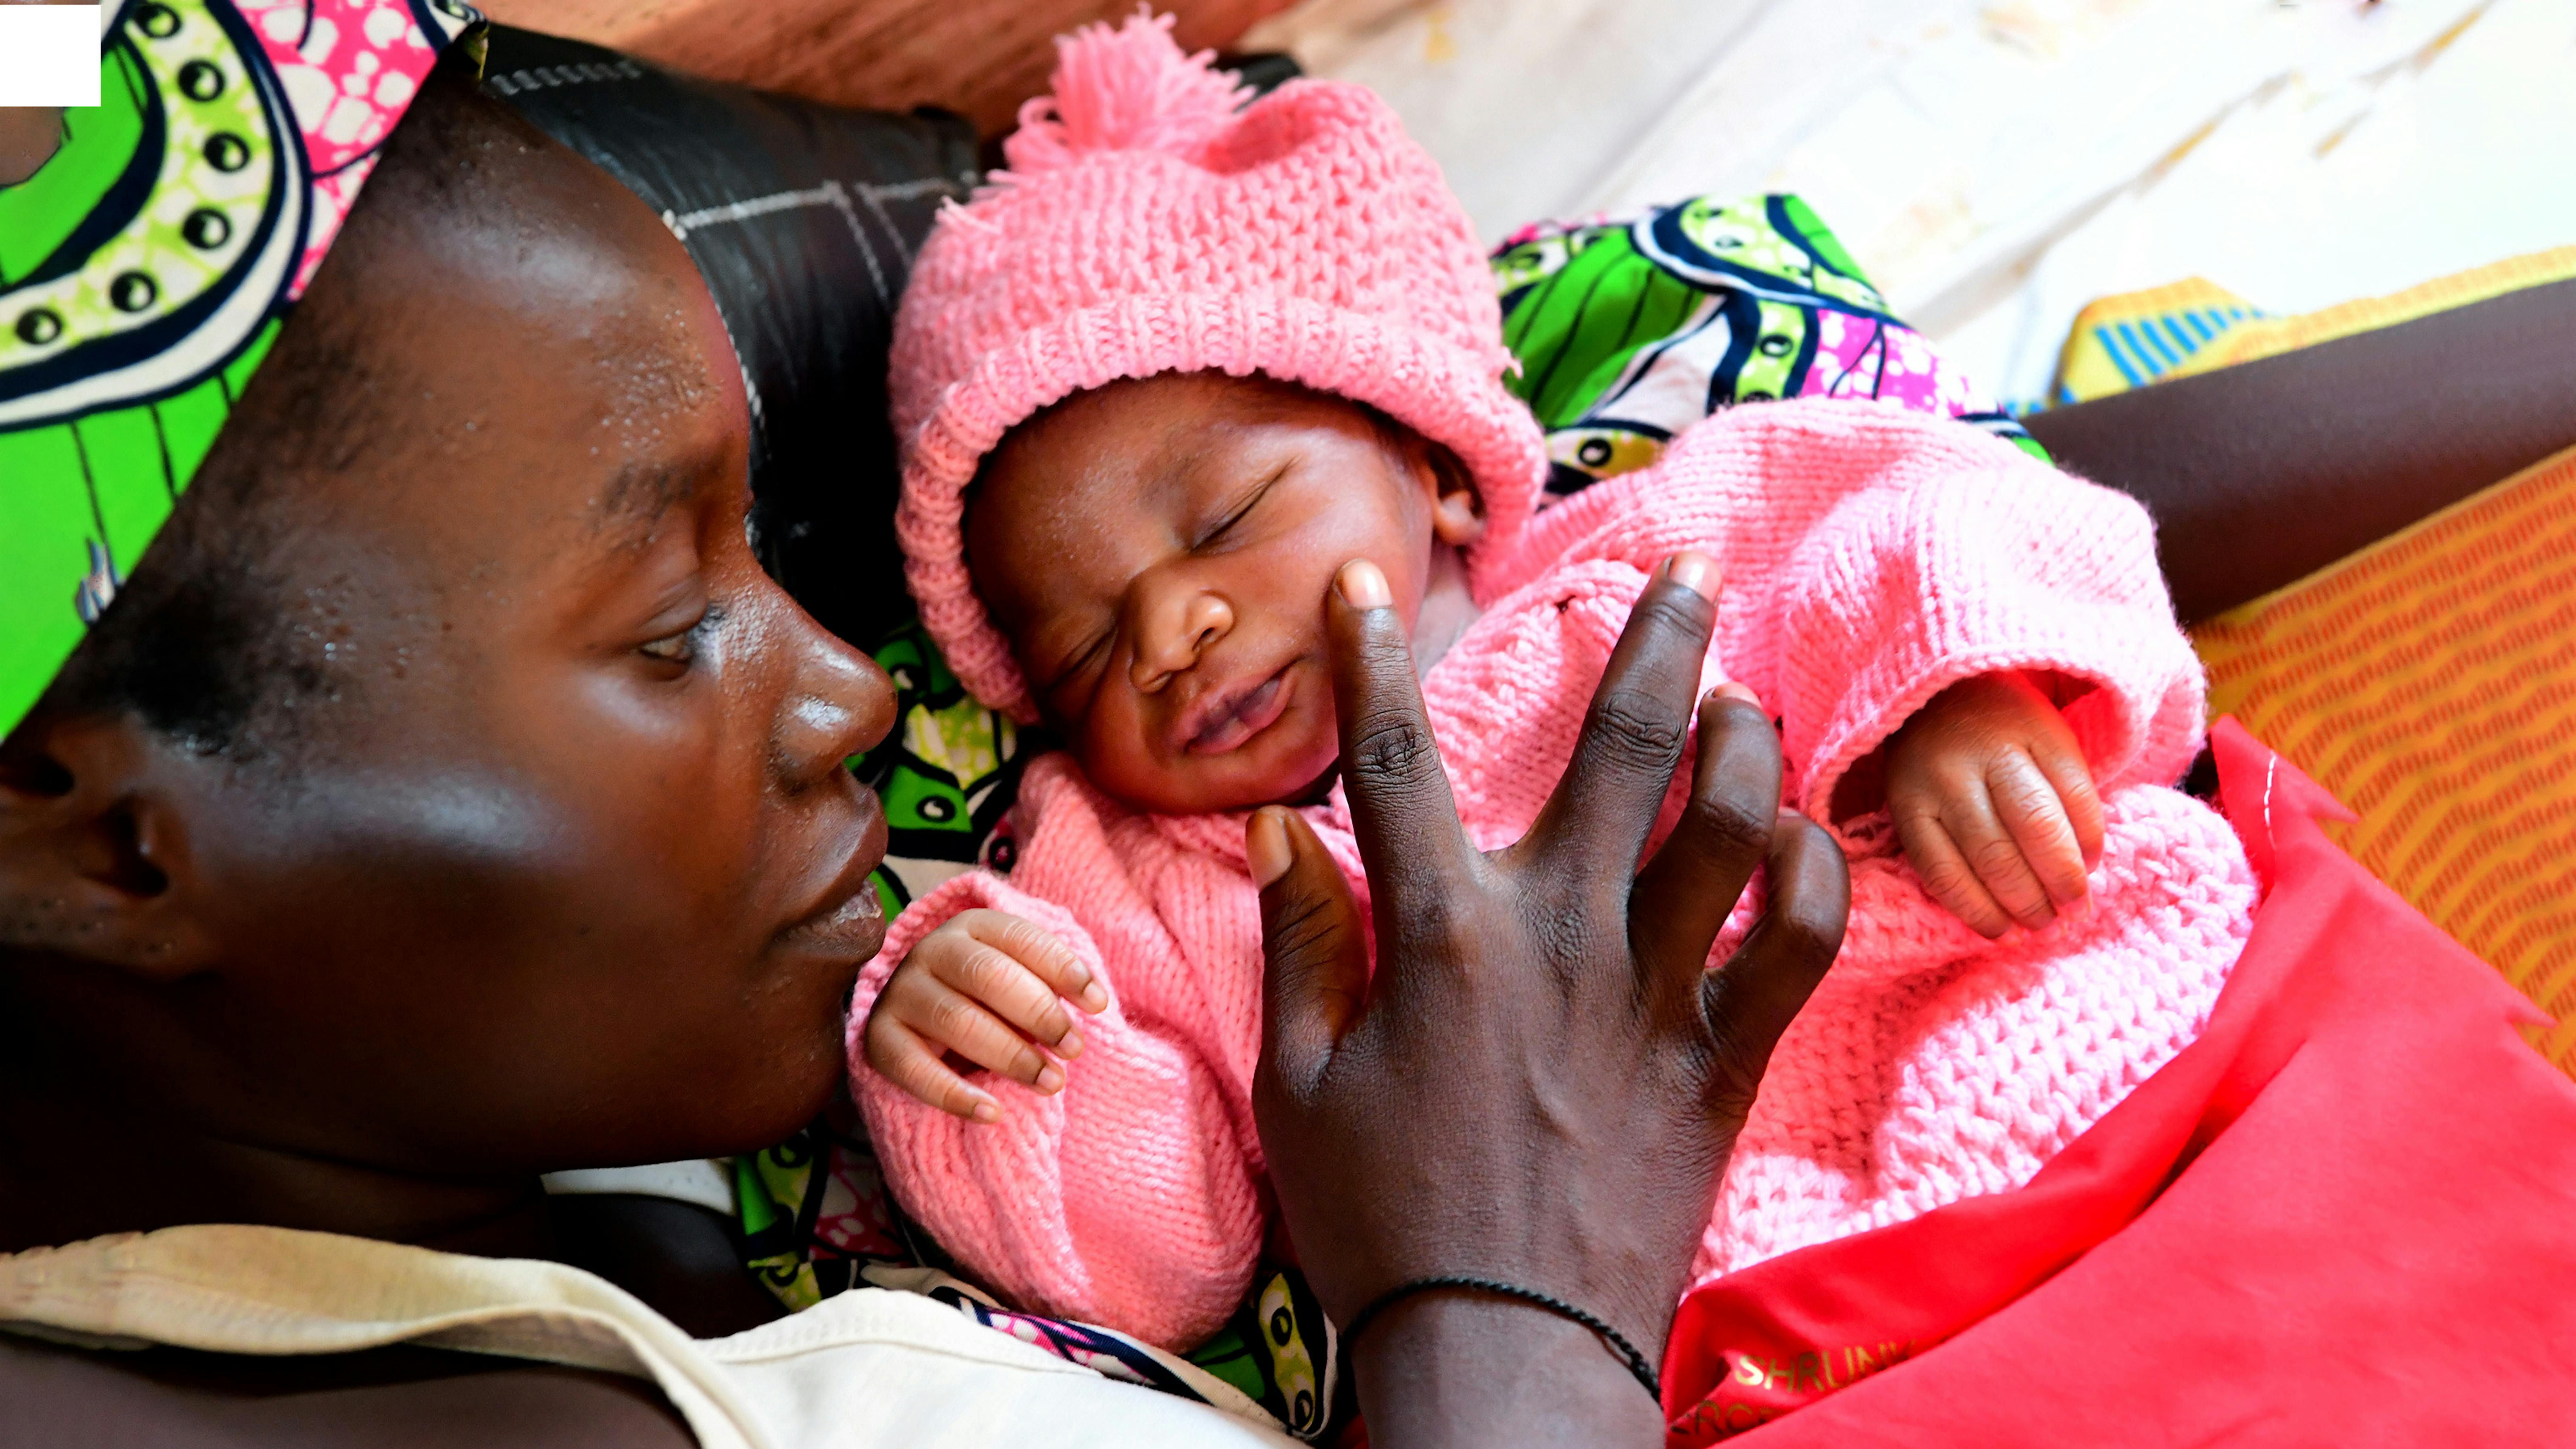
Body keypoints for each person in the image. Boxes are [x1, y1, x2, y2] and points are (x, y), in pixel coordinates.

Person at [0, 8, 1851, 1445]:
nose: (859, 693)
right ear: (101, 848)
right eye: (668, 629)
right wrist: (1515, 1306)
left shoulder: (578, 1135)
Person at [847, 13, 2254, 1350]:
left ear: (1440, 471)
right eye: (1084, 649)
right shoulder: (1143, 883)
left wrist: (1959, 698)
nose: (1165, 633)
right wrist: (1008, 1053)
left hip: (1982, 1040)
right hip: (1646, 1313)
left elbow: (1924, 512)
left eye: (1222, 520)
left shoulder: (1648, 561)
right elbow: (1166, 1260)